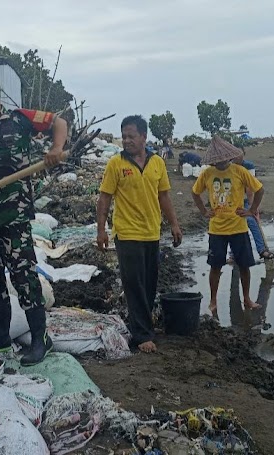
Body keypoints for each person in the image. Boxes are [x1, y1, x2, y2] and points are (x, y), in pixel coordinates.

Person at [0, 81, 67, 366]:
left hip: (13, 216)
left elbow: (59, 121)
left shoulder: (20, 119)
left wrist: (56, 149)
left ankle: (40, 338)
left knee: (23, 277)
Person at [96, 115, 183, 353]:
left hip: (151, 232)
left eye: (131, 136)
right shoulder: (116, 164)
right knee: (134, 285)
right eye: (124, 136)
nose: (126, 141)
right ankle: (142, 335)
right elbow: (105, 197)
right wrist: (101, 229)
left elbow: (164, 196)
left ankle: (144, 326)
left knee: (149, 283)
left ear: (144, 137)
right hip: (127, 233)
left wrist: (174, 224)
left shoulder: (157, 163)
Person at [192, 136, 264, 318]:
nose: (221, 162)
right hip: (217, 229)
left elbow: (259, 189)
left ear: (229, 157)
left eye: (223, 159)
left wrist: (252, 210)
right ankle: (213, 300)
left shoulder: (240, 171)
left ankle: (247, 298)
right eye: (217, 160)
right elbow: (195, 192)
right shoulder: (207, 174)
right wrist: (204, 211)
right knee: (215, 266)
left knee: (245, 265)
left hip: (238, 227)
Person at [231, 152, 274, 260]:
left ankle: (261, 249)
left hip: (244, 200)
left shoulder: (248, 166)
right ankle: (233, 254)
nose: (237, 156)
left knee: (251, 221)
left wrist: (252, 207)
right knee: (233, 225)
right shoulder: (229, 167)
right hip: (232, 202)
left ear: (244, 154)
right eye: (235, 154)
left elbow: (250, 188)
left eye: (240, 153)